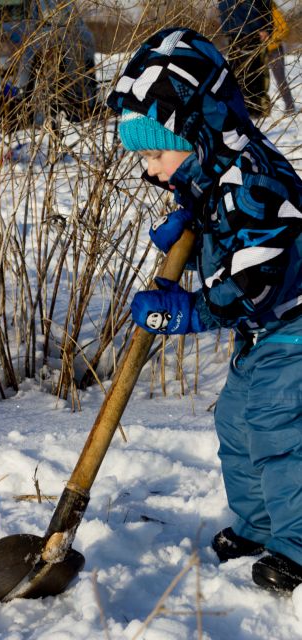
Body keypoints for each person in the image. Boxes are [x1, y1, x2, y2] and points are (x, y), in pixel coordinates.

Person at [107, 27, 302, 593]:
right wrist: (193, 231)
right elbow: (231, 255)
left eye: (156, 153)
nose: (148, 169)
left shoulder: (254, 183)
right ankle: (262, 526)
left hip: (291, 329)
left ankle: (297, 542)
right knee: (235, 422)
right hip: (264, 334)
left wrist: (187, 312)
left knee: (276, 430)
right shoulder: (215, 180)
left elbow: (257, 279)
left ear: (199, 130)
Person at [218, 0, 273, 118]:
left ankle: (250, 109)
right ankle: (251, 109)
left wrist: (265, 28)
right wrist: (265, 28)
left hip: (241, 30)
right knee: (249, 73)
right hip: (247, 29)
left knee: (245, 73)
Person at [267, 1, 296, 114]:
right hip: (259, 51)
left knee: (280, 79)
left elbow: (284, 29)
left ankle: (290, 106)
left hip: (274, 50)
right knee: (259, 82)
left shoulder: (272, 9)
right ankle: (261, 109)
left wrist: (270, 39)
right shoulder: (252, 12)